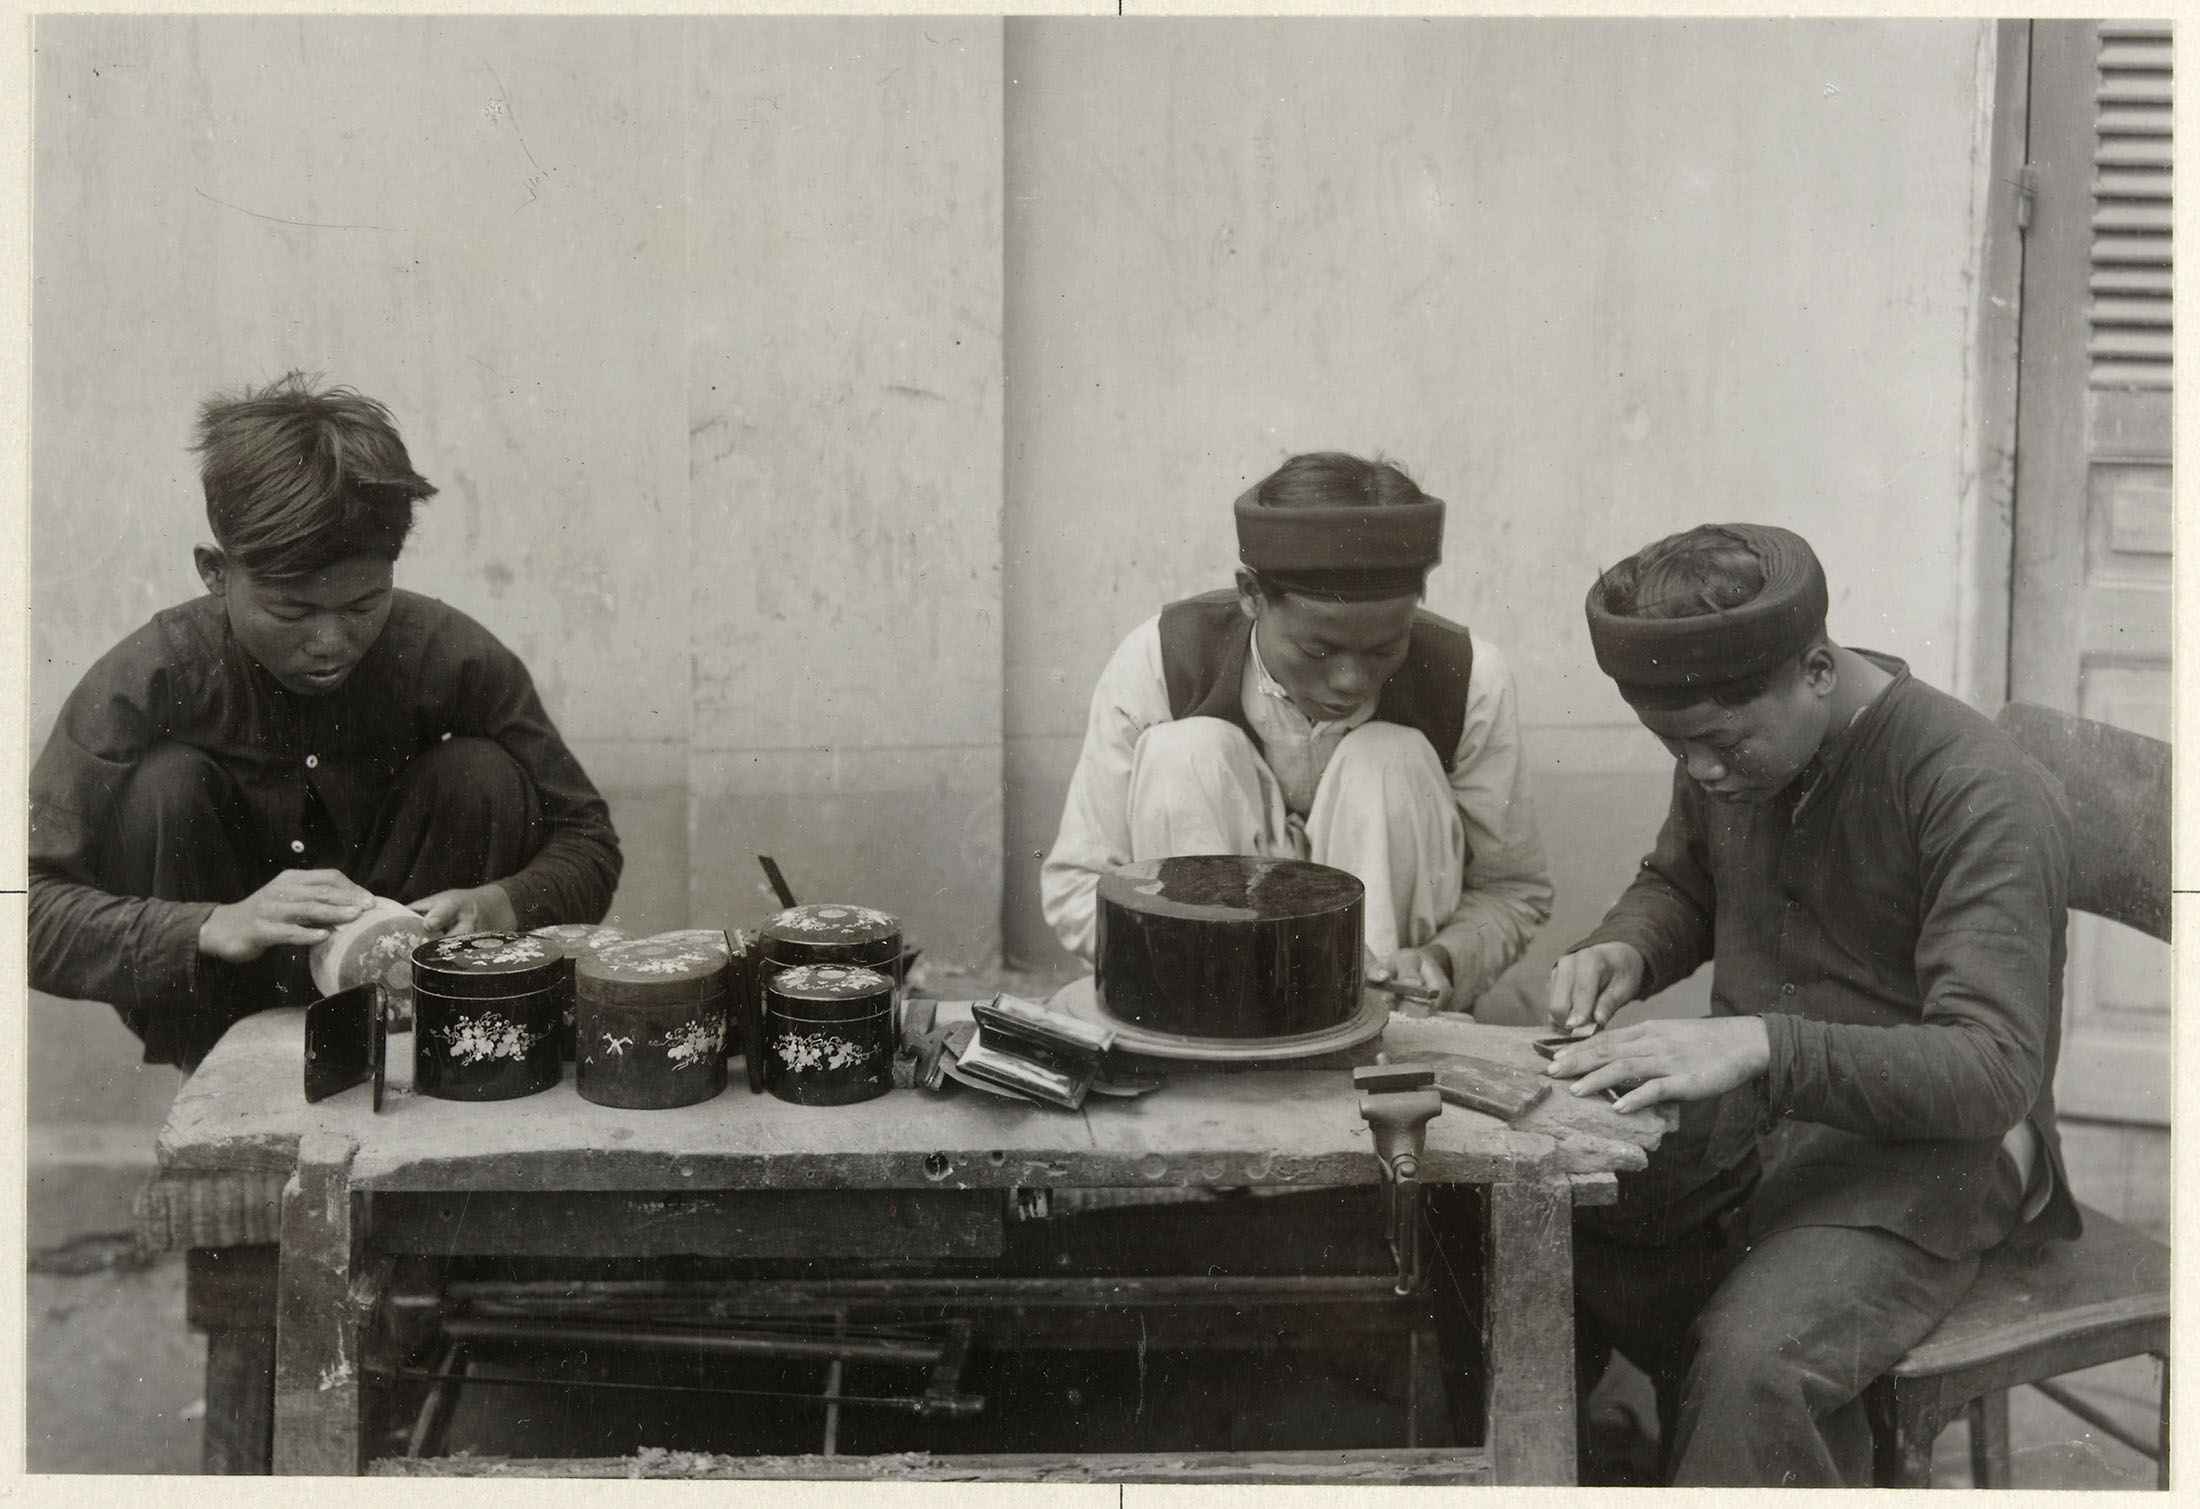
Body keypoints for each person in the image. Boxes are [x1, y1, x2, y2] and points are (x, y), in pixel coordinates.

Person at [1542, 522, 2082, 1486]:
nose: (1702, 771)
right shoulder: (1737, 745)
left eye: (1717, 744)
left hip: (1933, 1160)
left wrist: (1761, 1045)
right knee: (1526, 1240)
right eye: (1674, 746)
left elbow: (1992, 1070)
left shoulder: (1979, 789)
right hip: (1760, 1130)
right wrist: (1624, 945)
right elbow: (1684, 883)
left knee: (1752, 1366)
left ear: (1820, 669)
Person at [29, 374, 624, 1069]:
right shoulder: (148, 677)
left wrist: (500, 904)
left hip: (407, 998)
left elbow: (589, 837)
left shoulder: (451, 655)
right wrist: (211, 925)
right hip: (222, 1002)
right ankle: (215, 1083)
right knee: (165, 785)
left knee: (480, 772)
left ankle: (436, 1063)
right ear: (216, 573)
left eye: (364, 605)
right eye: (292, 613)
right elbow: (23, 903)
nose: (331, 642)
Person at [1042, 452, 1551, 1012]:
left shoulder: (1471, 677)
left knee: (1389, 760)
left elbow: (1512, 891)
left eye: (1385, 649)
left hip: (1393, 1005)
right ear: (1251, 595)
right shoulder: (1161, 660)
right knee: (1186, 752)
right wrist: (1191, 962)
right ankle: (1213, 1019)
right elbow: (1078, 884)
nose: (1351, 681)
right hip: (1212, 998)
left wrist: (1443, 958)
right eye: (1319, 649)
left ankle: (1370, 1023)